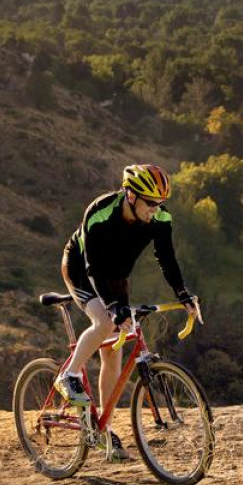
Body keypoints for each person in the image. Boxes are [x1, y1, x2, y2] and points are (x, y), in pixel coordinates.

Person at [55, 163, 196, 461]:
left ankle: (103, 431)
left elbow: (166, 258)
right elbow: (93, 267)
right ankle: (68, 376)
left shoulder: (160, 218)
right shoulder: (101, 211)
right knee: (105, 321)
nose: (156, 209)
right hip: (82, 269)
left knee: (114, 351)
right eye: (150, 203)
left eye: (160, 203)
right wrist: (111, 306)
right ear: (131, 196)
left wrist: (183, 294)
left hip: (116, 276)